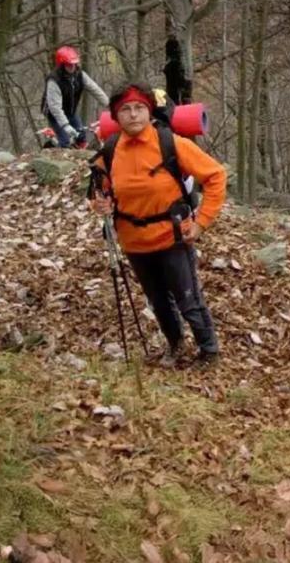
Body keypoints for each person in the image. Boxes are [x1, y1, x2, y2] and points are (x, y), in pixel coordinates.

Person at [89, 82, 227, 368]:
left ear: (149, 111)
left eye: (139, 108)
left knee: (189, 300)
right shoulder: (111, 150)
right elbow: (100, 190)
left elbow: (215, 176)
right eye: (125, 110)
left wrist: (201, 223)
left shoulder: (171, 143)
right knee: (158, 302)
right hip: (134, 242)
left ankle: (209, 351)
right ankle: (175, 345)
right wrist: (100, 204)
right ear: (116, 116)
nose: (133, 115)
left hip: (173, 238)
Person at [41, 46, 109, 148]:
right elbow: (55, 108)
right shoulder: (54, 81)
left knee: (81, 136)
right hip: (54, 114)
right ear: (62, 64)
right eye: (69, 64)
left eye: (74, 64)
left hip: (70, 111)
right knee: (65, 141)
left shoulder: (80, 75)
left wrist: (111, 104)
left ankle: (82, 155)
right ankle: (56, 155)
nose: (72, 67)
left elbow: (95, 90)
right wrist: (65, 125)